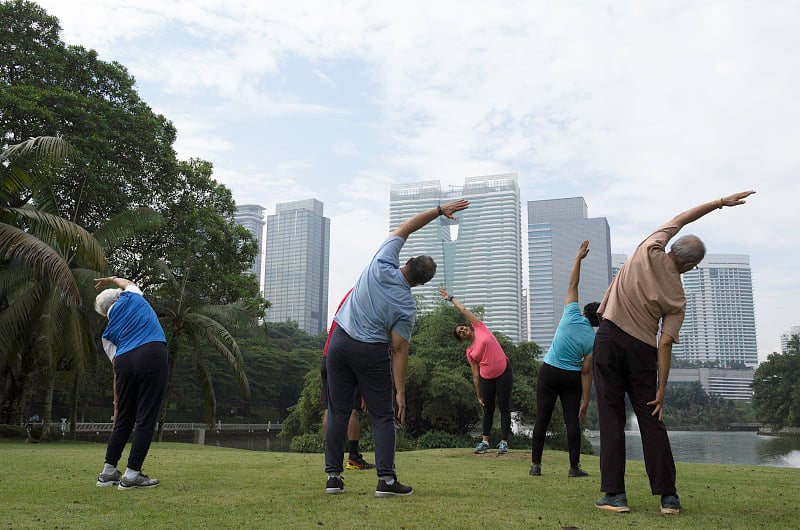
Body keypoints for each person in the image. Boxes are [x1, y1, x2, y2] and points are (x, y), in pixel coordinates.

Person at [593, 191, 755, 515]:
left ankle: (615, 496)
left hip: (610, 338)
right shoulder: (678, 297)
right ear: (691, 265)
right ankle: (668, 498)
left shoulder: (649, 247)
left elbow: (683, 218)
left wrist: (720, 202)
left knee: (611, 419)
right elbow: (664, 343)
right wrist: (661, 392)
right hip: (643, 350)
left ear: (672, 246)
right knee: (651, 420)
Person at [324, 198, 470, 497]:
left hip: (339, 342)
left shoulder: (381, 261)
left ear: (407, 260)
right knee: (383, 416)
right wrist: (400, 392)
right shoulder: (406, 305)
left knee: (338, 413)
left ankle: (334, 479)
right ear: (422, 284)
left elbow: (407, 227)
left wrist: (440, 211)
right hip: (371, 352)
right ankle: (386, 481)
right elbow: (399, 349)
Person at [529, 240, 598, 477]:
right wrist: (585, 400)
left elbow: (573, 283)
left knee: (542, 419)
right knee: (572, 422)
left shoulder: (570, 314)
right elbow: (586, 372)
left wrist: (578, 258)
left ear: (583, 311)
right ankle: (574, 467)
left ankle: (536, 466)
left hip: (549, 372)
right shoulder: (592, 340)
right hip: (571, 378)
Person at [93, 276, 169, 490]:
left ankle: (108, 473)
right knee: (146, 417)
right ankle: (132, 474)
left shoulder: (106, 335)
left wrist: (118, 404)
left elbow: (116, 369)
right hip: (152, 352)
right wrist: (112, 279)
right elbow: (127, 284)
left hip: (125, 362)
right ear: (118, 296)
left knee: (124, 420)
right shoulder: (131, 297)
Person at [439, 286, 513, 456]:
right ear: (461, 339)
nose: (463, 330)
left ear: (468, 327)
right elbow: (474, 374)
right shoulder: (470, 352)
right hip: (486, 378)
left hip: (503, 372)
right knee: (488, 409)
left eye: (463, 328)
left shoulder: (480, 327)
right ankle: (485, 442)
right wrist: (478, 395)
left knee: (504, 406)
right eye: (460, 333)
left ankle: (504, 442)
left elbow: (463, 310)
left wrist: (451, 298)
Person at [321, 289, 374, 470]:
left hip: (328, 355)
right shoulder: (367, 303)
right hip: (347, 359)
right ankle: (353, 457)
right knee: (353, 410)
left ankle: (330, 454)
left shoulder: (347, 301)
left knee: (330, 407)